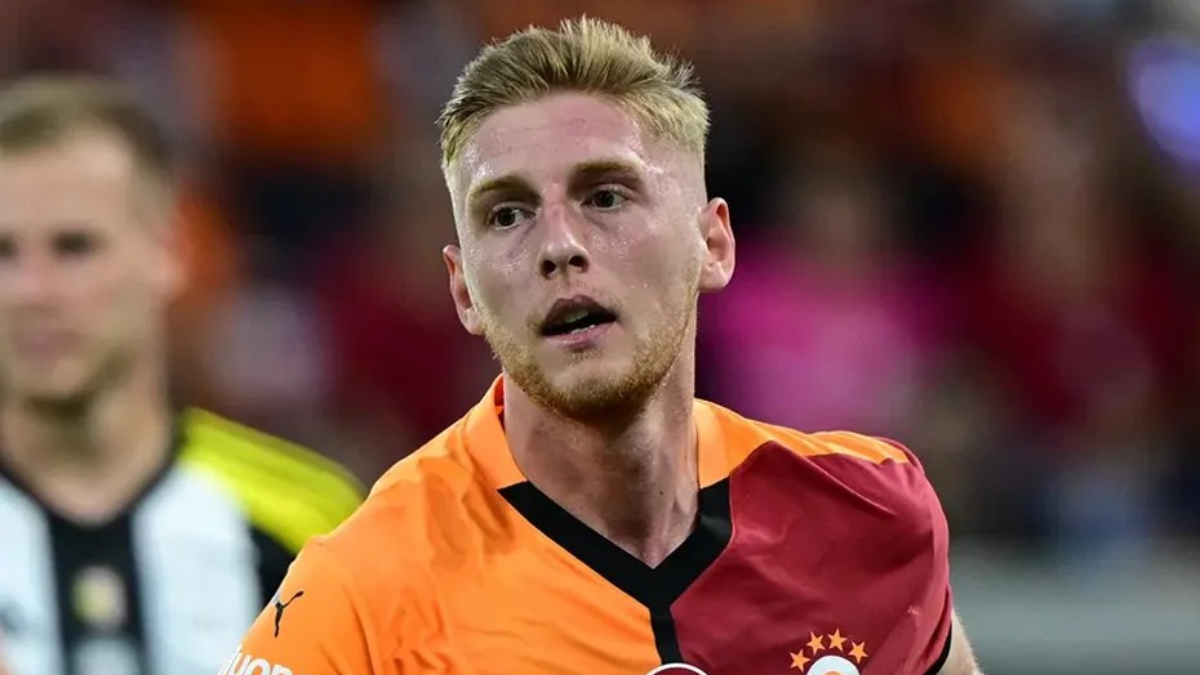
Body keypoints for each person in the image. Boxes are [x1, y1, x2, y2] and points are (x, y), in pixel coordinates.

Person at [224, 17, 985, 675]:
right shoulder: (360, 602)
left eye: (606, 196)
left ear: (713, 243)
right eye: (507, 214)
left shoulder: (869, 516)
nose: (559, 244)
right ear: (464, 292)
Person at [0, 76, 363, 675]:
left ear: (169, 250)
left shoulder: (311, 523)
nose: (31, 291)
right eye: (3, 253)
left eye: (74, 247)